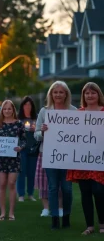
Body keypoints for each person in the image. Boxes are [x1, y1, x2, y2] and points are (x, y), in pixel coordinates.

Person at [35, 81, 76, 229]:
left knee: (67, 188)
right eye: (55, 92)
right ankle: (54, 219)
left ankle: (66, 217)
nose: (58, 95)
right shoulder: (44, 111)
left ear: (66, 94)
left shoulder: (73, 111)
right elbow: (36, 135)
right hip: (49, 154)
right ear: (51, 94)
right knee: (52, 187)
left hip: (67, 156)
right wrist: (43, 132)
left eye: (61, 92)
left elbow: (79, 134)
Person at [67, 82, 104, 235]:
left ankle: (102, 223)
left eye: (93, 93)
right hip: (82, 160)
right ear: (83, 96)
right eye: (87, 93)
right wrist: (49, 129)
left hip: (99, 160)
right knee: (85, 192)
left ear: (98, 95)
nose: (90, 96)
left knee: (99, 191)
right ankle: (89, 226)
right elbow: (67, 133)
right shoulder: (79, 114)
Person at [0, 100, 26, 221]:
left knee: (11, 183)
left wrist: (20, 147)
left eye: (9, 109)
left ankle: (11, 213)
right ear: (2, 110)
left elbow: (24, 140)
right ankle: (2, 212)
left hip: (14, 159)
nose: (7, 111)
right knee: (2, 184)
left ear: (13, 110)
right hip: (0, 158)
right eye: (5, 109)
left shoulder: (19, 124)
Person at [17, 96, 38, 202]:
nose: (27, 106)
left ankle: (30, 194)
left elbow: (41, 132)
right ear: (22, 106)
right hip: (22, 148)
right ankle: (21, 194)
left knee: (31, 172)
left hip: (33, 148)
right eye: (25, 104)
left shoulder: (36, 118)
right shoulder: (18, 119)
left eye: (29, 104)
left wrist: (36, 129)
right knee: (21, 171)